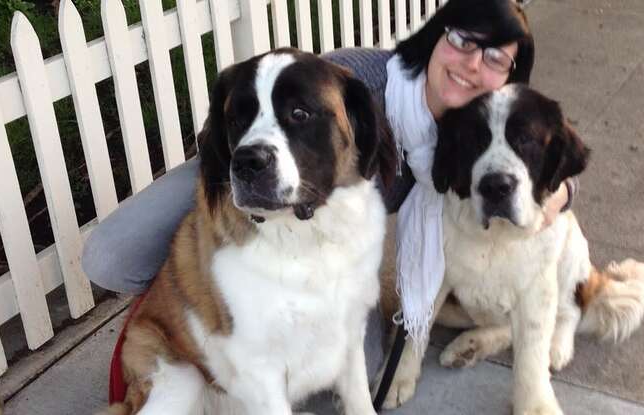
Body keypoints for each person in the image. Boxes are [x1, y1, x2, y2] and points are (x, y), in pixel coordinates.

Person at [83, 0, 574, 402]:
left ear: (510, 79)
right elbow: (269, 104)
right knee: (110, 257)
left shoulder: (482, 126)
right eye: (463, 40)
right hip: (243, 176)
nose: (472, 63)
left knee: (367, 365)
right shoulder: (359, 78)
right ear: (437, 35)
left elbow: (550, 150)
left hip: (323, 245)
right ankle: (197, 326)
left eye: (495, 58)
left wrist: (561, 193)